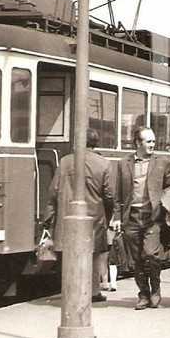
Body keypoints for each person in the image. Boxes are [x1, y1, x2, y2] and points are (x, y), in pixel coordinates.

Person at [42, 128, 115, 303]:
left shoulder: (65, 162)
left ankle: (70, 293)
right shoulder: (104, 164)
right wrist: (108, 215)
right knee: (93, 256)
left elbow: (53, 192)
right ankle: (93, 292)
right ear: (96, 143)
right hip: (94, 220)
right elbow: (110, 196)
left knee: (69, 257)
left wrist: (47, 221)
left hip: (67, 219)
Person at [113, 126, 170, 310]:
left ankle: (156, 289)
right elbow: (118, 193)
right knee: (135, 260)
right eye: (148, 142)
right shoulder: (123, 163)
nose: (152, 145)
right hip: (132, 217)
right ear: (138, 143)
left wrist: (165, 202)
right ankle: (143, 293)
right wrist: (117, 217)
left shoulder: (162, 162)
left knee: (151, 254)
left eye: (153, 141)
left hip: (152, 217)